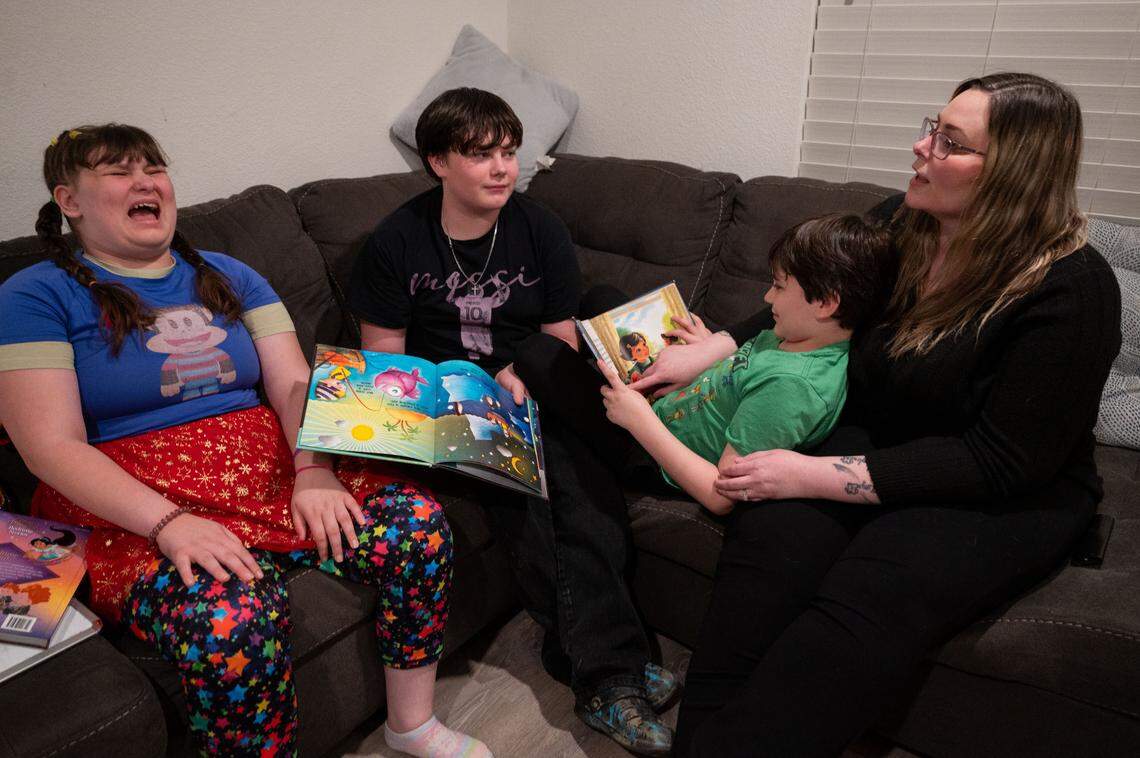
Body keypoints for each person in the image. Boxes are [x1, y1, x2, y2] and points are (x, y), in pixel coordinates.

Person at [630, 73, 1121, 757]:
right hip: (882, 433)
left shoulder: (1072, 287)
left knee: (869, 598)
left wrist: (813, 474)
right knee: (769, 544)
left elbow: (1001, 458)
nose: (921, 146)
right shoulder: (902, 222)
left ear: (1015, 171)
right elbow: (808, 295)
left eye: (950, 142)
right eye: (932, 126)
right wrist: (714, 347)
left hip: (1002, 489)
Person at [0, 124, 490, 758]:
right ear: (69, 201)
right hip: (134, 498)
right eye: (118, 171)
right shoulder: (32, 296)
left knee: (416, 526)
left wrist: (313, 469)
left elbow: (291, 381)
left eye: (154, 166)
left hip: (266, 463)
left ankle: (411, 724)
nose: (146, 180)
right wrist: (169, 524)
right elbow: (50, 446)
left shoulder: (231, 274)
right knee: (230, 616)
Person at [347, 87, 679, 756]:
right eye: (480, 155)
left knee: (573, 480)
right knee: (555, 484)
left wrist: (524, 375)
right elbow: (382, 359)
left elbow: (557, 337)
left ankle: (593, 666)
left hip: (531, 387)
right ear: (438, 161)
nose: (501, 168)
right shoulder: (397, 240)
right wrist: (435, 409)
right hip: (443, 410)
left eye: (507, 152)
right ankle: (613, 673)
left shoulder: (538, 228)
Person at [595, 214, 890, 515]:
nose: (767, 296)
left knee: (546, 359)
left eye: (778, 286)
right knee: (601, 299)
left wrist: (638, 420)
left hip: (651, 457)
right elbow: (744, 373)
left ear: (826, 304)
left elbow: (720, 495)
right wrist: (708, 348)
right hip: (664, 408)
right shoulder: (793, 335)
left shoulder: (791, 388)